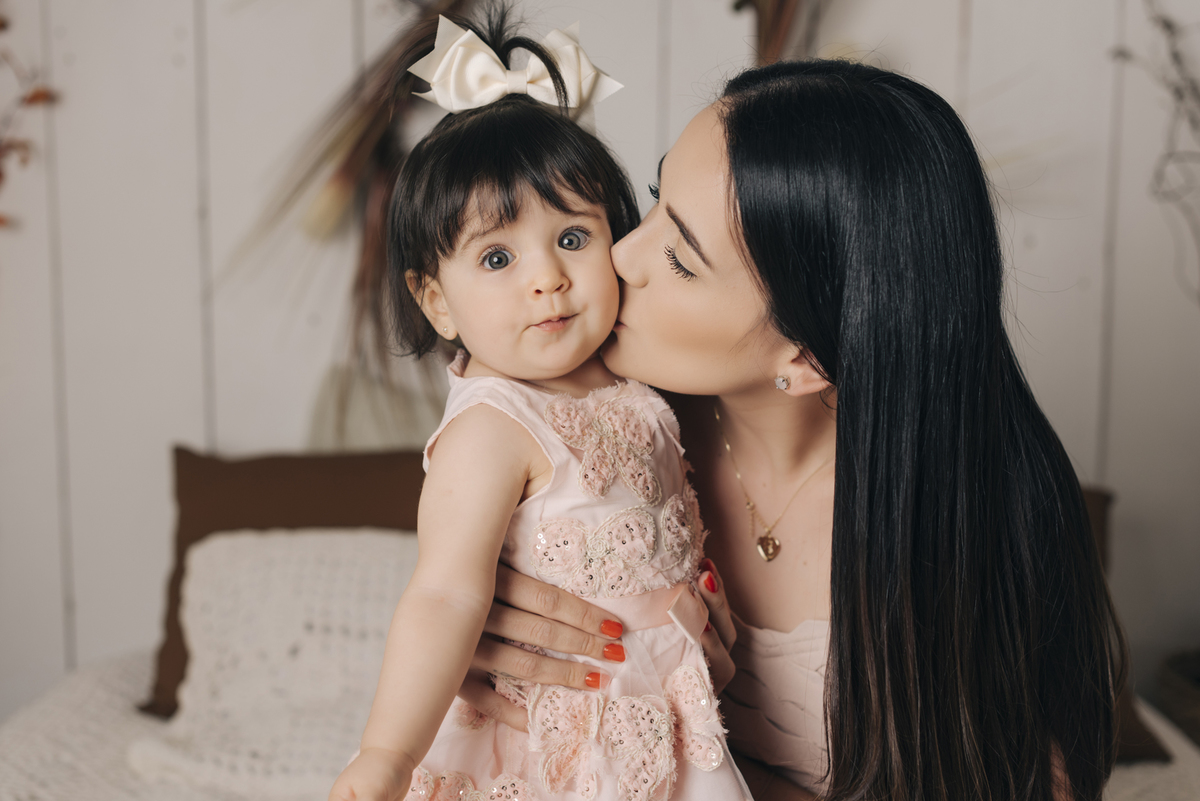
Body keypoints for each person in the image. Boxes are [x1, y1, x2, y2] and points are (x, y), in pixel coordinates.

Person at [459, 59, 1125, 801]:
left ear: (806, 358)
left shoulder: (981, 511)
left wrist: (694, 749)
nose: (619, 254)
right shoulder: (597, 428)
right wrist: (478, 638)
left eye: (679, 257)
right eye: (654, 200)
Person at [330, 10, 752, 801]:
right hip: (554, 736)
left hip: (665, 707)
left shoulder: (637, 380)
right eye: (497, 256)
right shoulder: (493, 425)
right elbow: (445, 592)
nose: (547, 278)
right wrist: (387, 751)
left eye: (572, 238)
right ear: (436, 301)